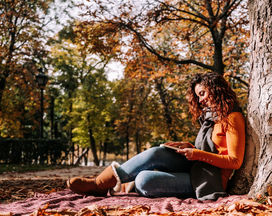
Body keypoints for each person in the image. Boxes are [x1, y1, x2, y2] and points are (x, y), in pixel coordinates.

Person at [67, 72, 246, 200]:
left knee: (143, 180)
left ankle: (124, 184)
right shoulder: (211, 119)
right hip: (199, 167)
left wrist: (197, 154)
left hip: (210, 179)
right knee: (156, 152)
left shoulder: (233, 118)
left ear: (216, 89)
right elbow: (210, 148)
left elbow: (234, 161)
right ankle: (99, 184)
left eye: (202, 94)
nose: (200, 100)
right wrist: (189, 147)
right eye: (198, 96)